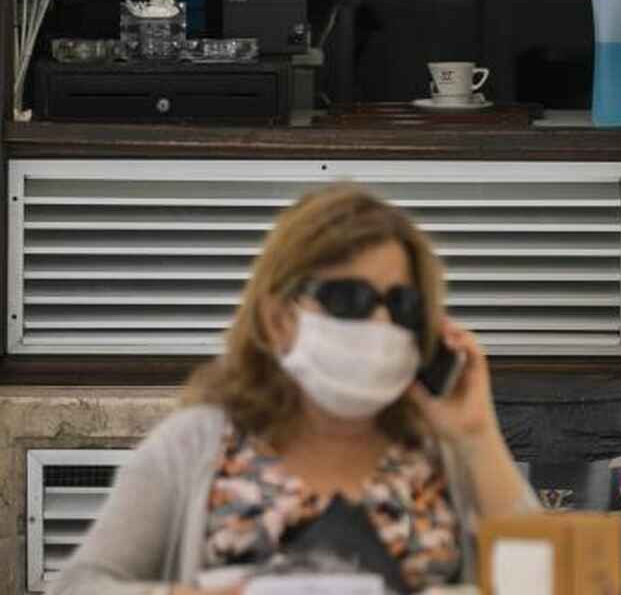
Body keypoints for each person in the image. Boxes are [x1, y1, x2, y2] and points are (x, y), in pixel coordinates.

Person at [51, 184, 535, 594]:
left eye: (401, 304)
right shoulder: (195, 443)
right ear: (279, 318)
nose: (382, 321)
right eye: (349, 299)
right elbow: (81, 584)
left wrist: (476, 434)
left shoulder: (441, 452)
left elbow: (552, 579)